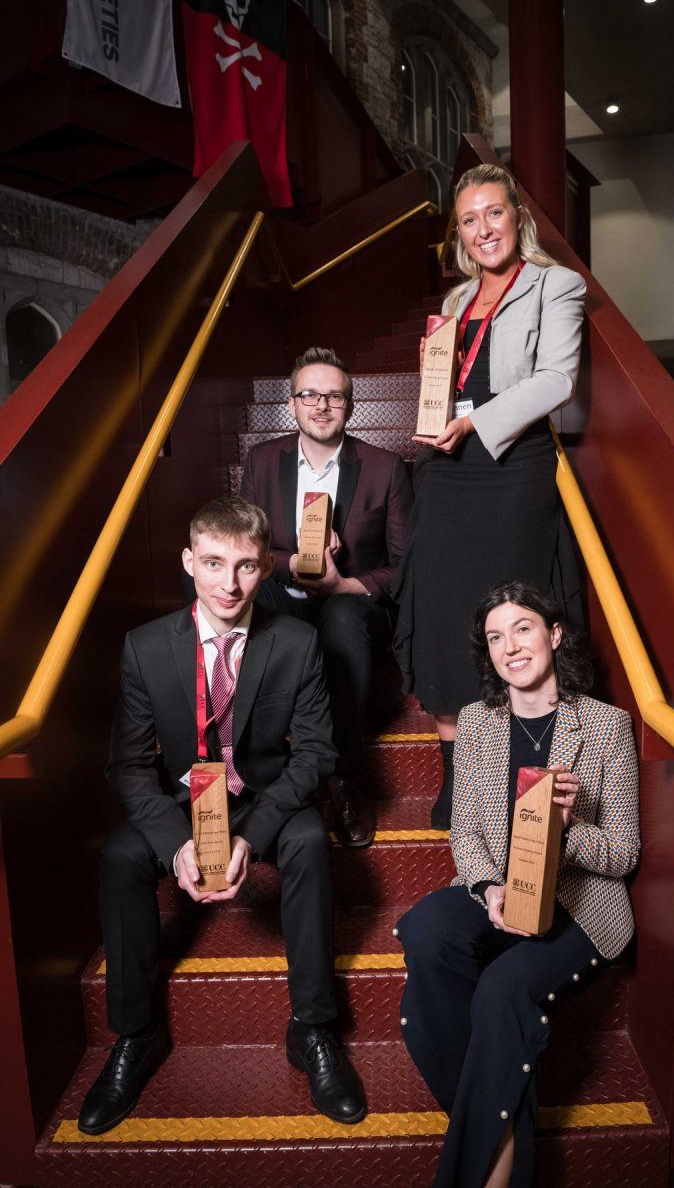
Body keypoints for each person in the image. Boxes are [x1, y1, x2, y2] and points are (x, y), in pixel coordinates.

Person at [78, 497, 366, 1136]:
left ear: (265, 567)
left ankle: (313, 1029)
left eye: (243, 566)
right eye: (212, 563)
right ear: (189, 561)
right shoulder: (146, 647)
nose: (227, 583)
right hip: (183, 800)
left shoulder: (296, 641)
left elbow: (317, 753)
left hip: (263, 796)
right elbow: (127, 767)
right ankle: (136, 1035)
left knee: (311, 840)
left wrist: (250, 833)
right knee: (123, 854)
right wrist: (179, 843)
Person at [396, 581, 640, 1188]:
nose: (511, 646)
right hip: (502, 895)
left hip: (580, 908)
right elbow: (468, 831)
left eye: (523, 628)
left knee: (501, 990)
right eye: (496, 637)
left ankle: (483, 1174)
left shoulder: (606, 726)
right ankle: (502, 1132)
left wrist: (567, 830)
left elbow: (625, 853)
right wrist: (487, 891)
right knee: (425, 929)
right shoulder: (478, 723)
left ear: (555, 635)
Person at [393, 163, 587, 829]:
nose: (484, 229)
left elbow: (557, 377)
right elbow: (444, 386)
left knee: (510, 614)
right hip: (447, 471)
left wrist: (477, 420)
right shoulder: (452, 305)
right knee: (447, 616)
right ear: (459, 234)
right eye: (470, 220)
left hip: (511, 467)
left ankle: (514, 774)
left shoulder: (555, 285)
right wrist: (437, 408)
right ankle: (457, 780)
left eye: (494, 214)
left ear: (518, 220)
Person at [240, 347, 413, 849]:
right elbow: (246, 547)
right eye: (309, 394)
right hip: (284, 591)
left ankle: (342, 777)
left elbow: (405, 566)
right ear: (292, 404)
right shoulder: (263, 460)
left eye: (333, 396)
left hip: (353, 603)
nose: (321, 406)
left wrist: (343, 584)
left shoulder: (383, 468)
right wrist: (290, 561)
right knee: (235, 596)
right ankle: (256, 769)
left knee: (338, 622)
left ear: (350, 405)